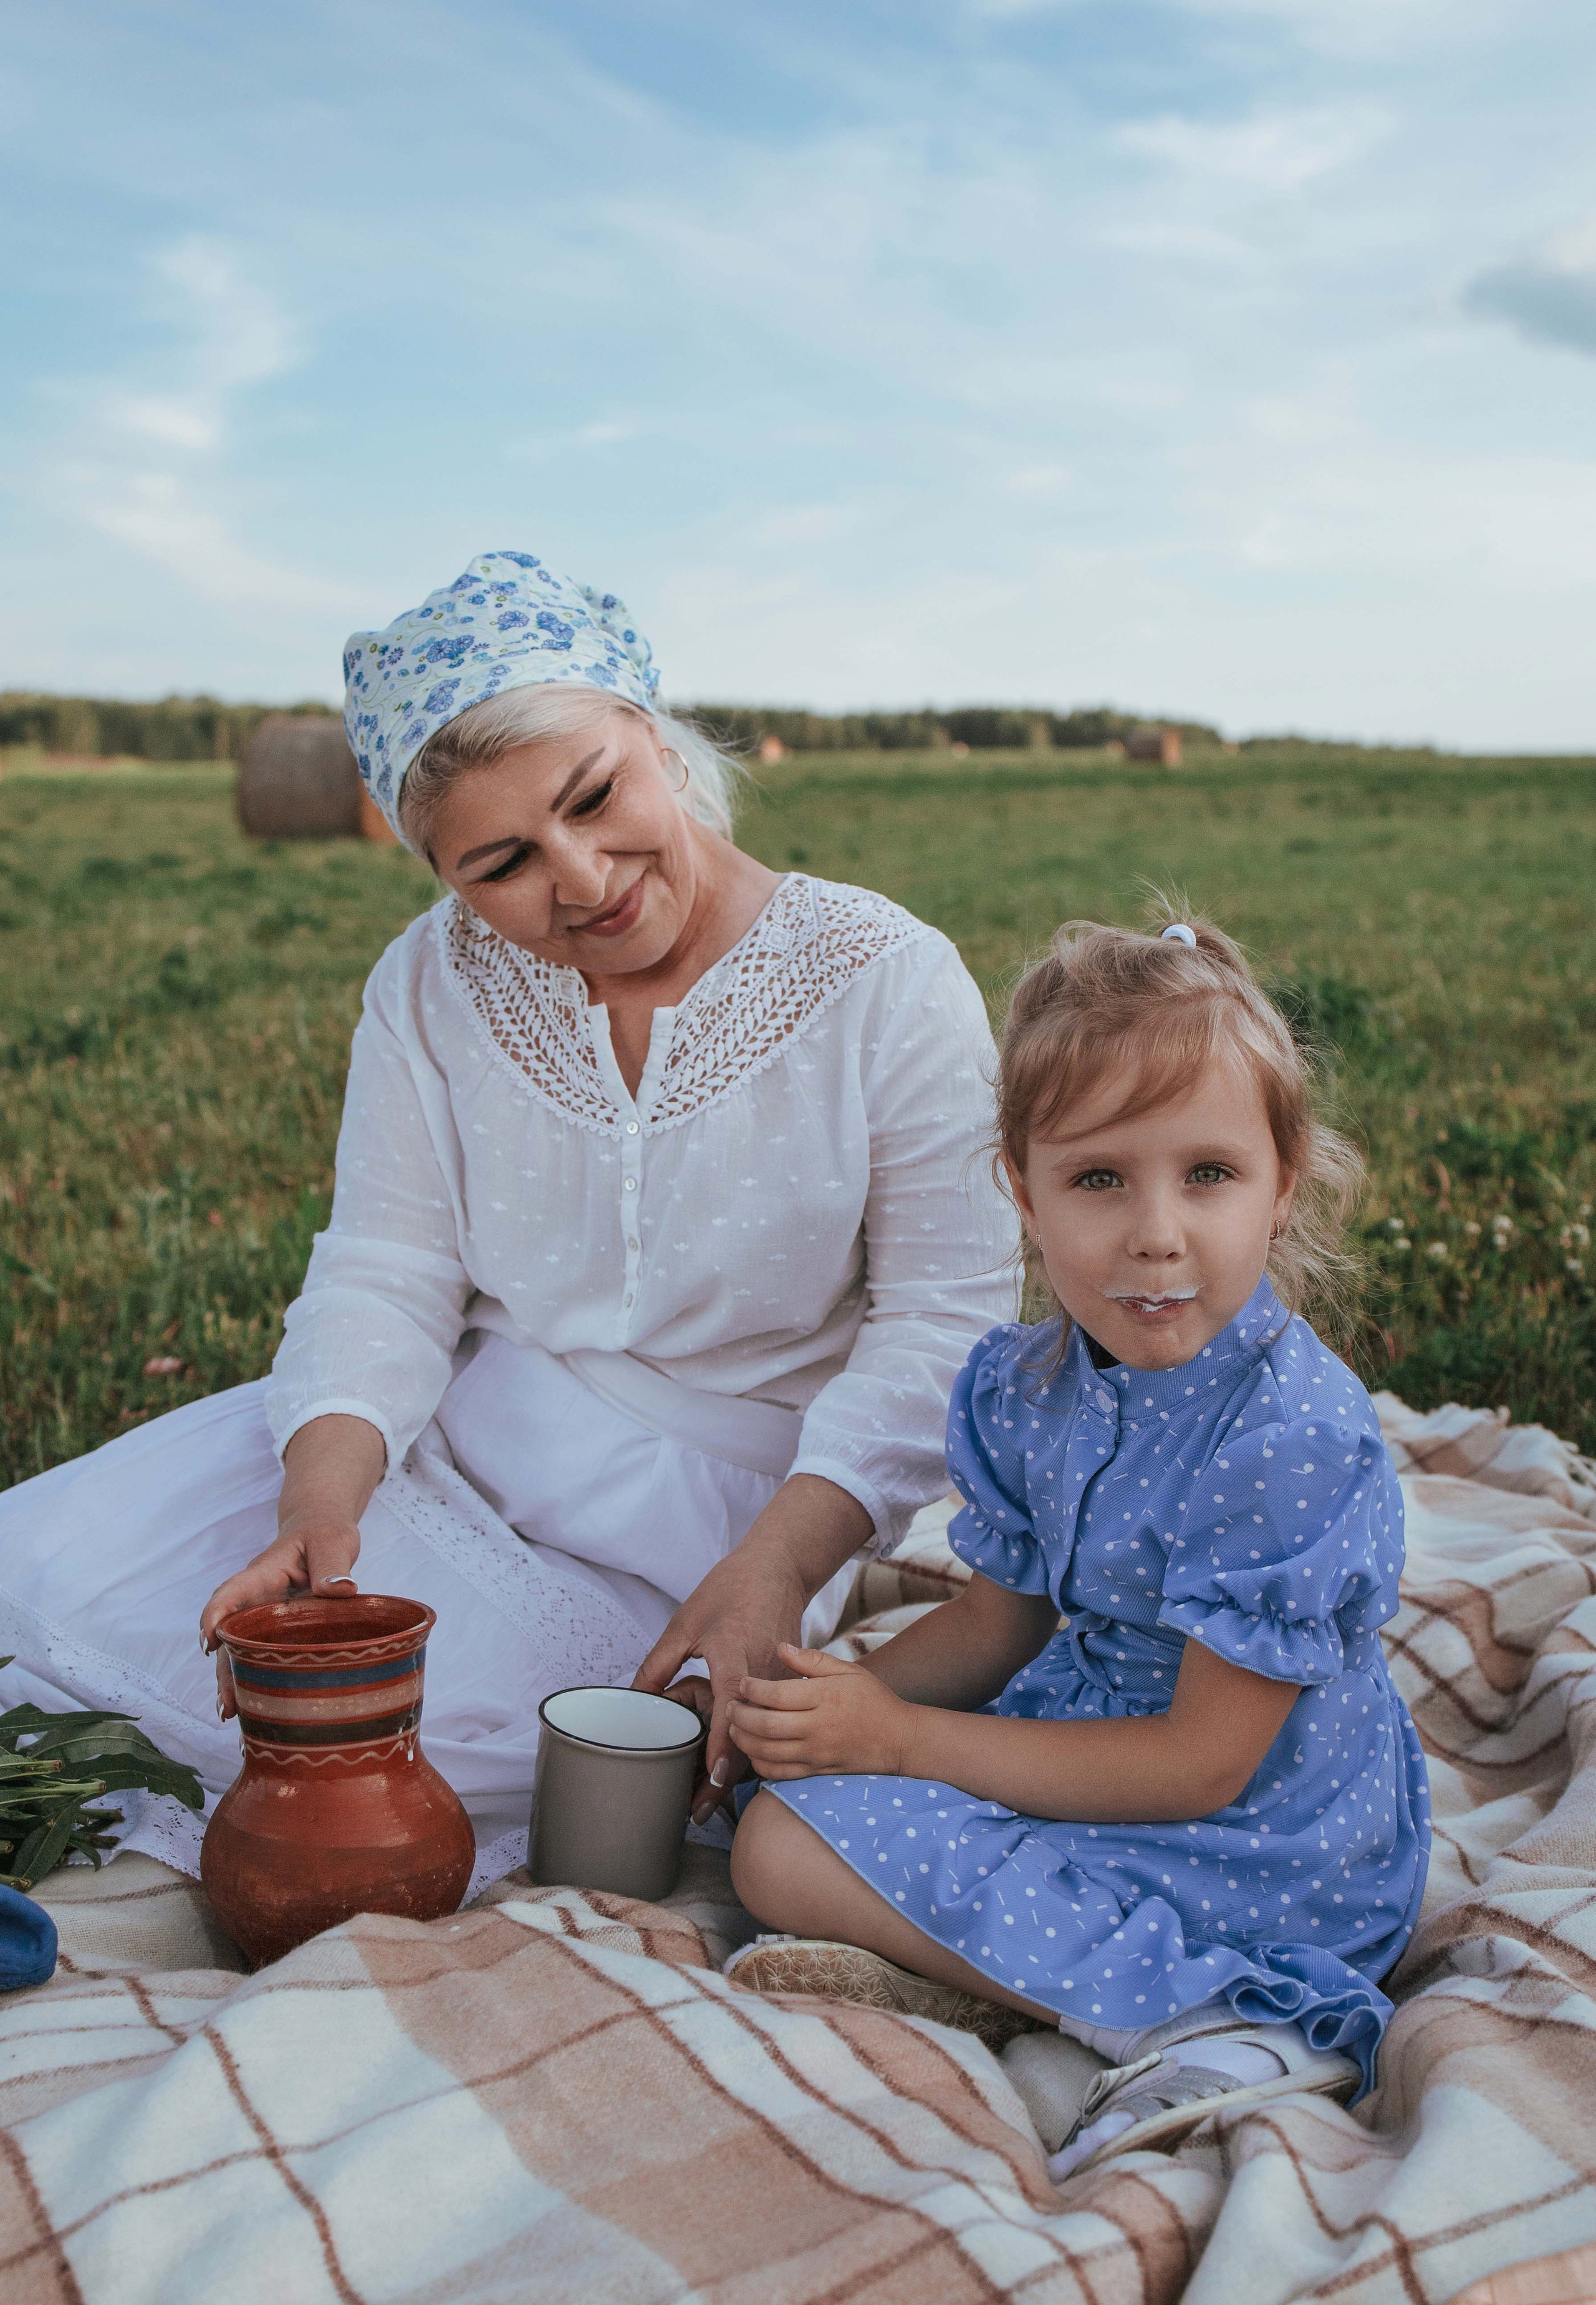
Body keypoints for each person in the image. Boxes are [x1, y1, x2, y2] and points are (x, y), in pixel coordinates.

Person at [0, 551, 1016, 1884]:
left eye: (596, 796)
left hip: (729, 1522)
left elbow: (944, 1323)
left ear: (651, 731)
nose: (583, 878)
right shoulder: (429, 984)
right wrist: (320, 1506)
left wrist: (781, 1565)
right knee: (47, 1574)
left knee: (455, 1750)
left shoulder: (885, 980)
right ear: (440, 875)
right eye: (501, 863)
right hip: (434, 1436)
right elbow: (386, 1267)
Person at [725, 915, 1430, 2173]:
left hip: (1264, 1844)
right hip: (1086, 1741)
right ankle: (1023, 1983)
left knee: (784, 1850)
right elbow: (997, 1625)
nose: (1156, 1232)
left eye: (1207, 1174)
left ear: (1282, 1182)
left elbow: (1202, 1764)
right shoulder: (1030, 1382)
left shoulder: (1287, 1436)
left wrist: (899, 1742)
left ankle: (1220, 2017)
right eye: (1099, 1178)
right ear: (1022, 1188)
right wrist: (816, 1707)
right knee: (774, 1811)